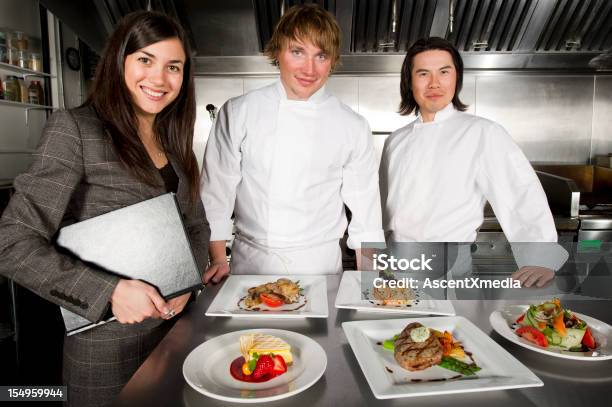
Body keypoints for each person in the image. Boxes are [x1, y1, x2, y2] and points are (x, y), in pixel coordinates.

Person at [0, 11, 209, 407]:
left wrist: (191, 281)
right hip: (108, 352)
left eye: (173, 67)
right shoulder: (76, 130)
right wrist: (109, 293)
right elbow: (10, 242)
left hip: (175, 337)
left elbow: (197, 226)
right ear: (119, 61)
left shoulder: (178, 148)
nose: (160, 78)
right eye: (145, 60)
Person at [201, 4, 383, 281]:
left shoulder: (352, 126)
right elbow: (217, 191)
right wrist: (217, 259)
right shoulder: (239, 112)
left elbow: (367, 212)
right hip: (251, 264)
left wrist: (370, 281)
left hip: (320, 267)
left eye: (320, 55)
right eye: (297, 52)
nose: (309, 68)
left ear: (332, 61)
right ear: (278, 52)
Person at [380, 37, 564, 288]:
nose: (434, 83)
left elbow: (520, 192)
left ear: (457, 77)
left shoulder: (483, 133)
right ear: (409, 82)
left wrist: (541, 257)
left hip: (450, 272)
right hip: (395, 268)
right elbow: (381, 207)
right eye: (423, 73)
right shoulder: (395, 141)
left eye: (444, 72)